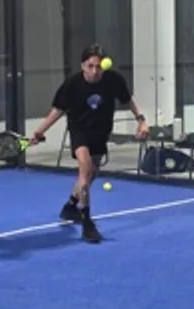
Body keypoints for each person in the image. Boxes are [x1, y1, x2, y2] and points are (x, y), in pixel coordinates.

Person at [30, 44, 150, 243]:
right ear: (82, 65)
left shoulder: (113, 80)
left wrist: (141, 120)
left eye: (98, 67)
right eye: (90, 66)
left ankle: (71, 206)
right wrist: (40, 131)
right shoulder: (72, 84)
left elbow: (128, 100)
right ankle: (87, 223)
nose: (95, 71)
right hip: (80, 131)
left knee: (90, 175)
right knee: (85, 171)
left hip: (101, 132)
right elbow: (58, 110)